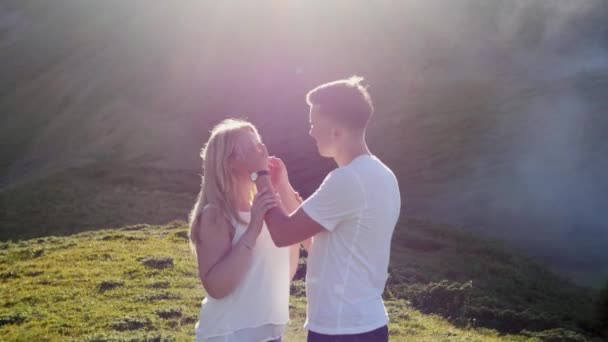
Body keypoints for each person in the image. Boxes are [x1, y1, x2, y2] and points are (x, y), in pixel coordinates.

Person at [246, 76, 401, 342]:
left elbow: (283, 234)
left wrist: (259, 174)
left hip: (342, 329)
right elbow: (315, 242)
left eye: (314, 123)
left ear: (336, 130)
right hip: (365, 325)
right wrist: (282, 187)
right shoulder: (383, 176)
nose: (310, 132)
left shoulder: (348, 179)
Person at [188, 119, 306, 342]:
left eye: (260, 146)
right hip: (229, 334)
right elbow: (217, 287)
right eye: (251, 149)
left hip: (270, 334)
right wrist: (252, 230)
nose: (261, 153)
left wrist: (281, 187)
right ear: (230, 162)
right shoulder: (216, 213)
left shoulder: (265, 212)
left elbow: (285, 272)